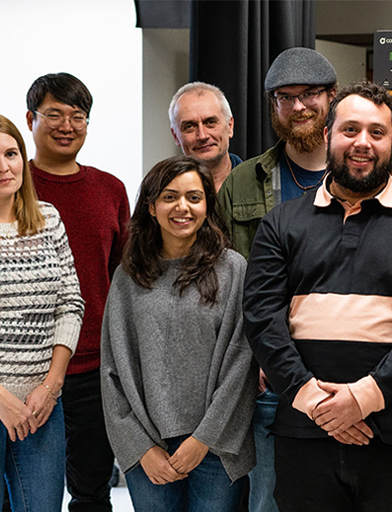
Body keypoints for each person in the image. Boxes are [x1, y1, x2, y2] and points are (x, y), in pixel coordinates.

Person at [243, 81, 392, 511]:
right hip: (305, 432)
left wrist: (364, 398)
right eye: (350, 130)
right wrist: (317, 402)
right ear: (327, 135)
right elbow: (261, 318)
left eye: (377, 133)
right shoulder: (281, 224)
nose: (363, 143)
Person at [100, 155, 257, 512]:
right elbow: (112, 372)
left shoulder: (232, 270)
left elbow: (241, 363)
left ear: (207, 206)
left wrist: (204, 439)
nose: (182, 207)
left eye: (193, 197)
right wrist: (140, 447)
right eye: (169, 197)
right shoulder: (128, 277)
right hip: (148, 447)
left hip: (216, 447)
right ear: (152, 207)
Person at [218, 46, 337, 512]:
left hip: (346, 376)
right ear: (273, 106)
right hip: (267, 379)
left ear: (332, 97)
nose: (299, 106)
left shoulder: (363, 176)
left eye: (310, 94)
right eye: (286, 97)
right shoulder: (243, 183)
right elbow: (228, 289)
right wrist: (265, 355)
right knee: (267, 502)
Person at [0, 113, 84, 511]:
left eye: (11, 154)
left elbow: (70, 302)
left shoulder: (48, 219)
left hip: (41, 402)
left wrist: (51, 386)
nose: (3, 167)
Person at [25, 72, 129, 512]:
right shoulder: (11, 185)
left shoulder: (110, 189)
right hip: (24, 367)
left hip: (93, 367)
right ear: (30, 119)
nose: (67, 125)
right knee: (27, 491)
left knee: (91, 492)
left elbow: (122, 274)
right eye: (54, 114)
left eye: (78, 116)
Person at [169, 82, 242, 192]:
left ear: (229, 126)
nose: (202, 136)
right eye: (190, 126)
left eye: (210, 122)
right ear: (175, 136)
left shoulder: (260, 186)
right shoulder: (162, 192)